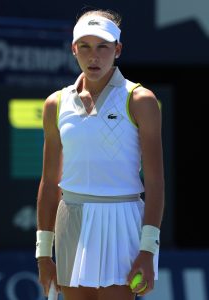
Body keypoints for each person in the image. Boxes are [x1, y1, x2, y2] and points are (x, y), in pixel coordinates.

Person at [36, 8, 164, 300]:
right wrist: (43, 253)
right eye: (85, 46)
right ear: (74, 49)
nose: (94, 56)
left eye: (103, 47)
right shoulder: (55, 104)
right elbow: (48, 182)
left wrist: (148, 249)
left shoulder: (141, 100)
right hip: (72, 220)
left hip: (123, 221)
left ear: (117, 50)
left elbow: (156, 182)